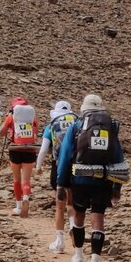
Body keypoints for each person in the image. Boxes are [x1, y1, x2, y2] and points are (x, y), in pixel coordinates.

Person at [56, 94, 125, 262]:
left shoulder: (77, 127)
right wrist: (117, 186)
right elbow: (119, 157)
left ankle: (78, 257)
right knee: (98, 218)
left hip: (80, 179)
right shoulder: (110, 127)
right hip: (103, 179)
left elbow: (65, 155)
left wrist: (61, 183)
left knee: (79, 216)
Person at [36, 101, 78, 252]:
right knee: (72, 203)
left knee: (59, 205)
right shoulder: (77, 123)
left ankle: (59, 241)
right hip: (76, 166)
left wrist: (38, 167)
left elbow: (43, 150)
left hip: (58, 165)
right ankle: (74, 227)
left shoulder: (51, 126)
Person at [0, 97, 39, 217]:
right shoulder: (32, 117)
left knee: (16, 179)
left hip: (15, 149)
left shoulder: (12, 116)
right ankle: (26, 197)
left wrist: (8, 120)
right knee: (26, 180)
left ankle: (18, 206)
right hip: (30, 149)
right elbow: (35, 132)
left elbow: (1, 133)